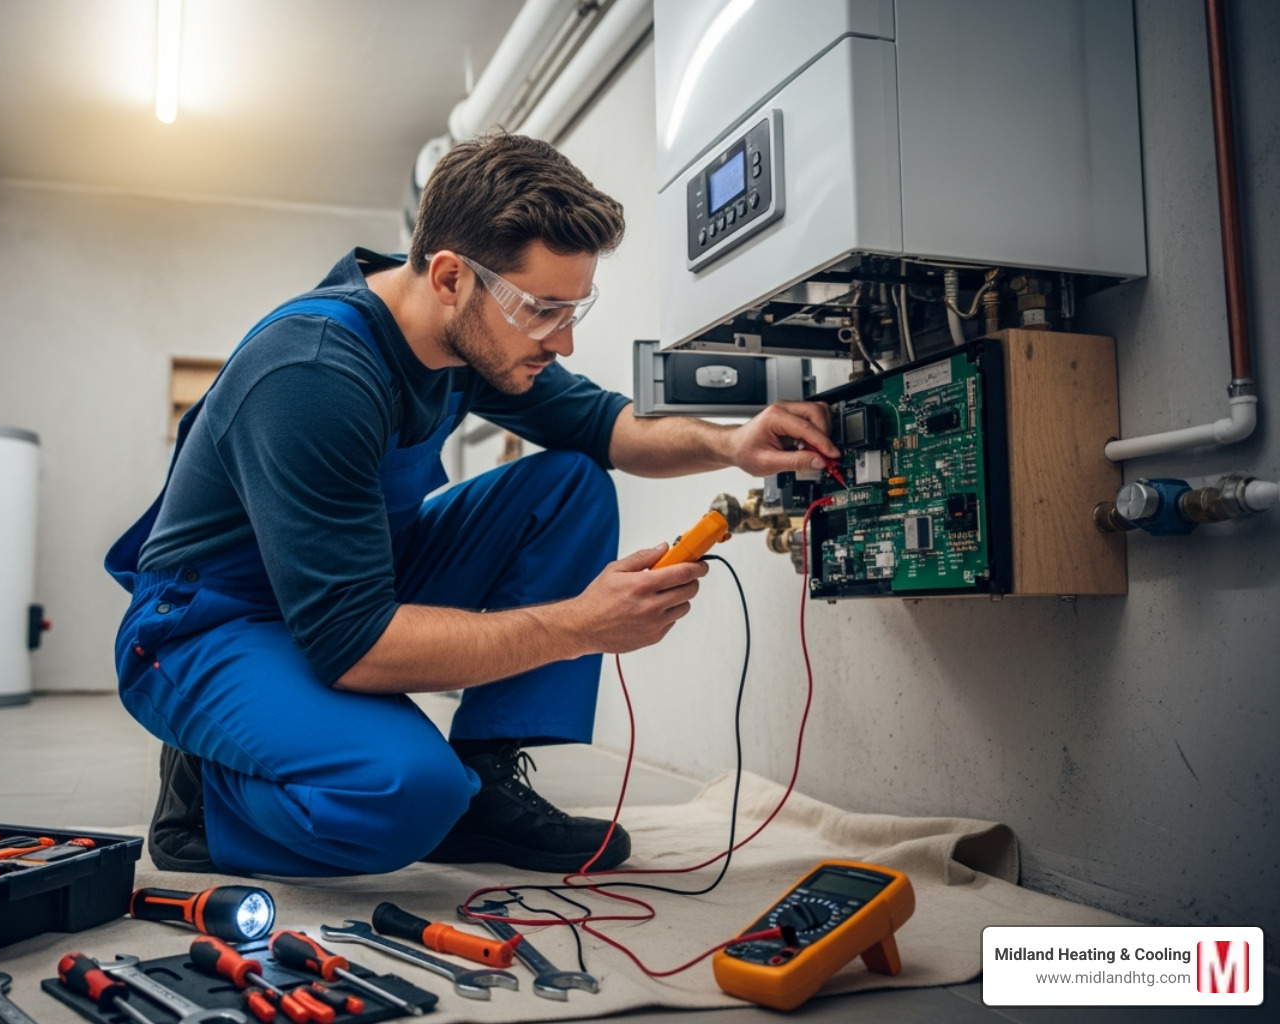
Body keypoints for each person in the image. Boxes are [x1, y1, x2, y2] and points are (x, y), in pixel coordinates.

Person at [105, 132, 837, 878]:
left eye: (575, 309)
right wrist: (581, 625)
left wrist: (733, 443)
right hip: (210, 623)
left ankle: (484, 786)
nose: (567, 341)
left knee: (569, 486)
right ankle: (208, 799)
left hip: (350, 587)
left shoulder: (466, 340)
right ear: (451, 277)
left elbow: (605, 427)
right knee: (407, 798)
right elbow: (351, 642)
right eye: (546, 310)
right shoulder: (315, 373)